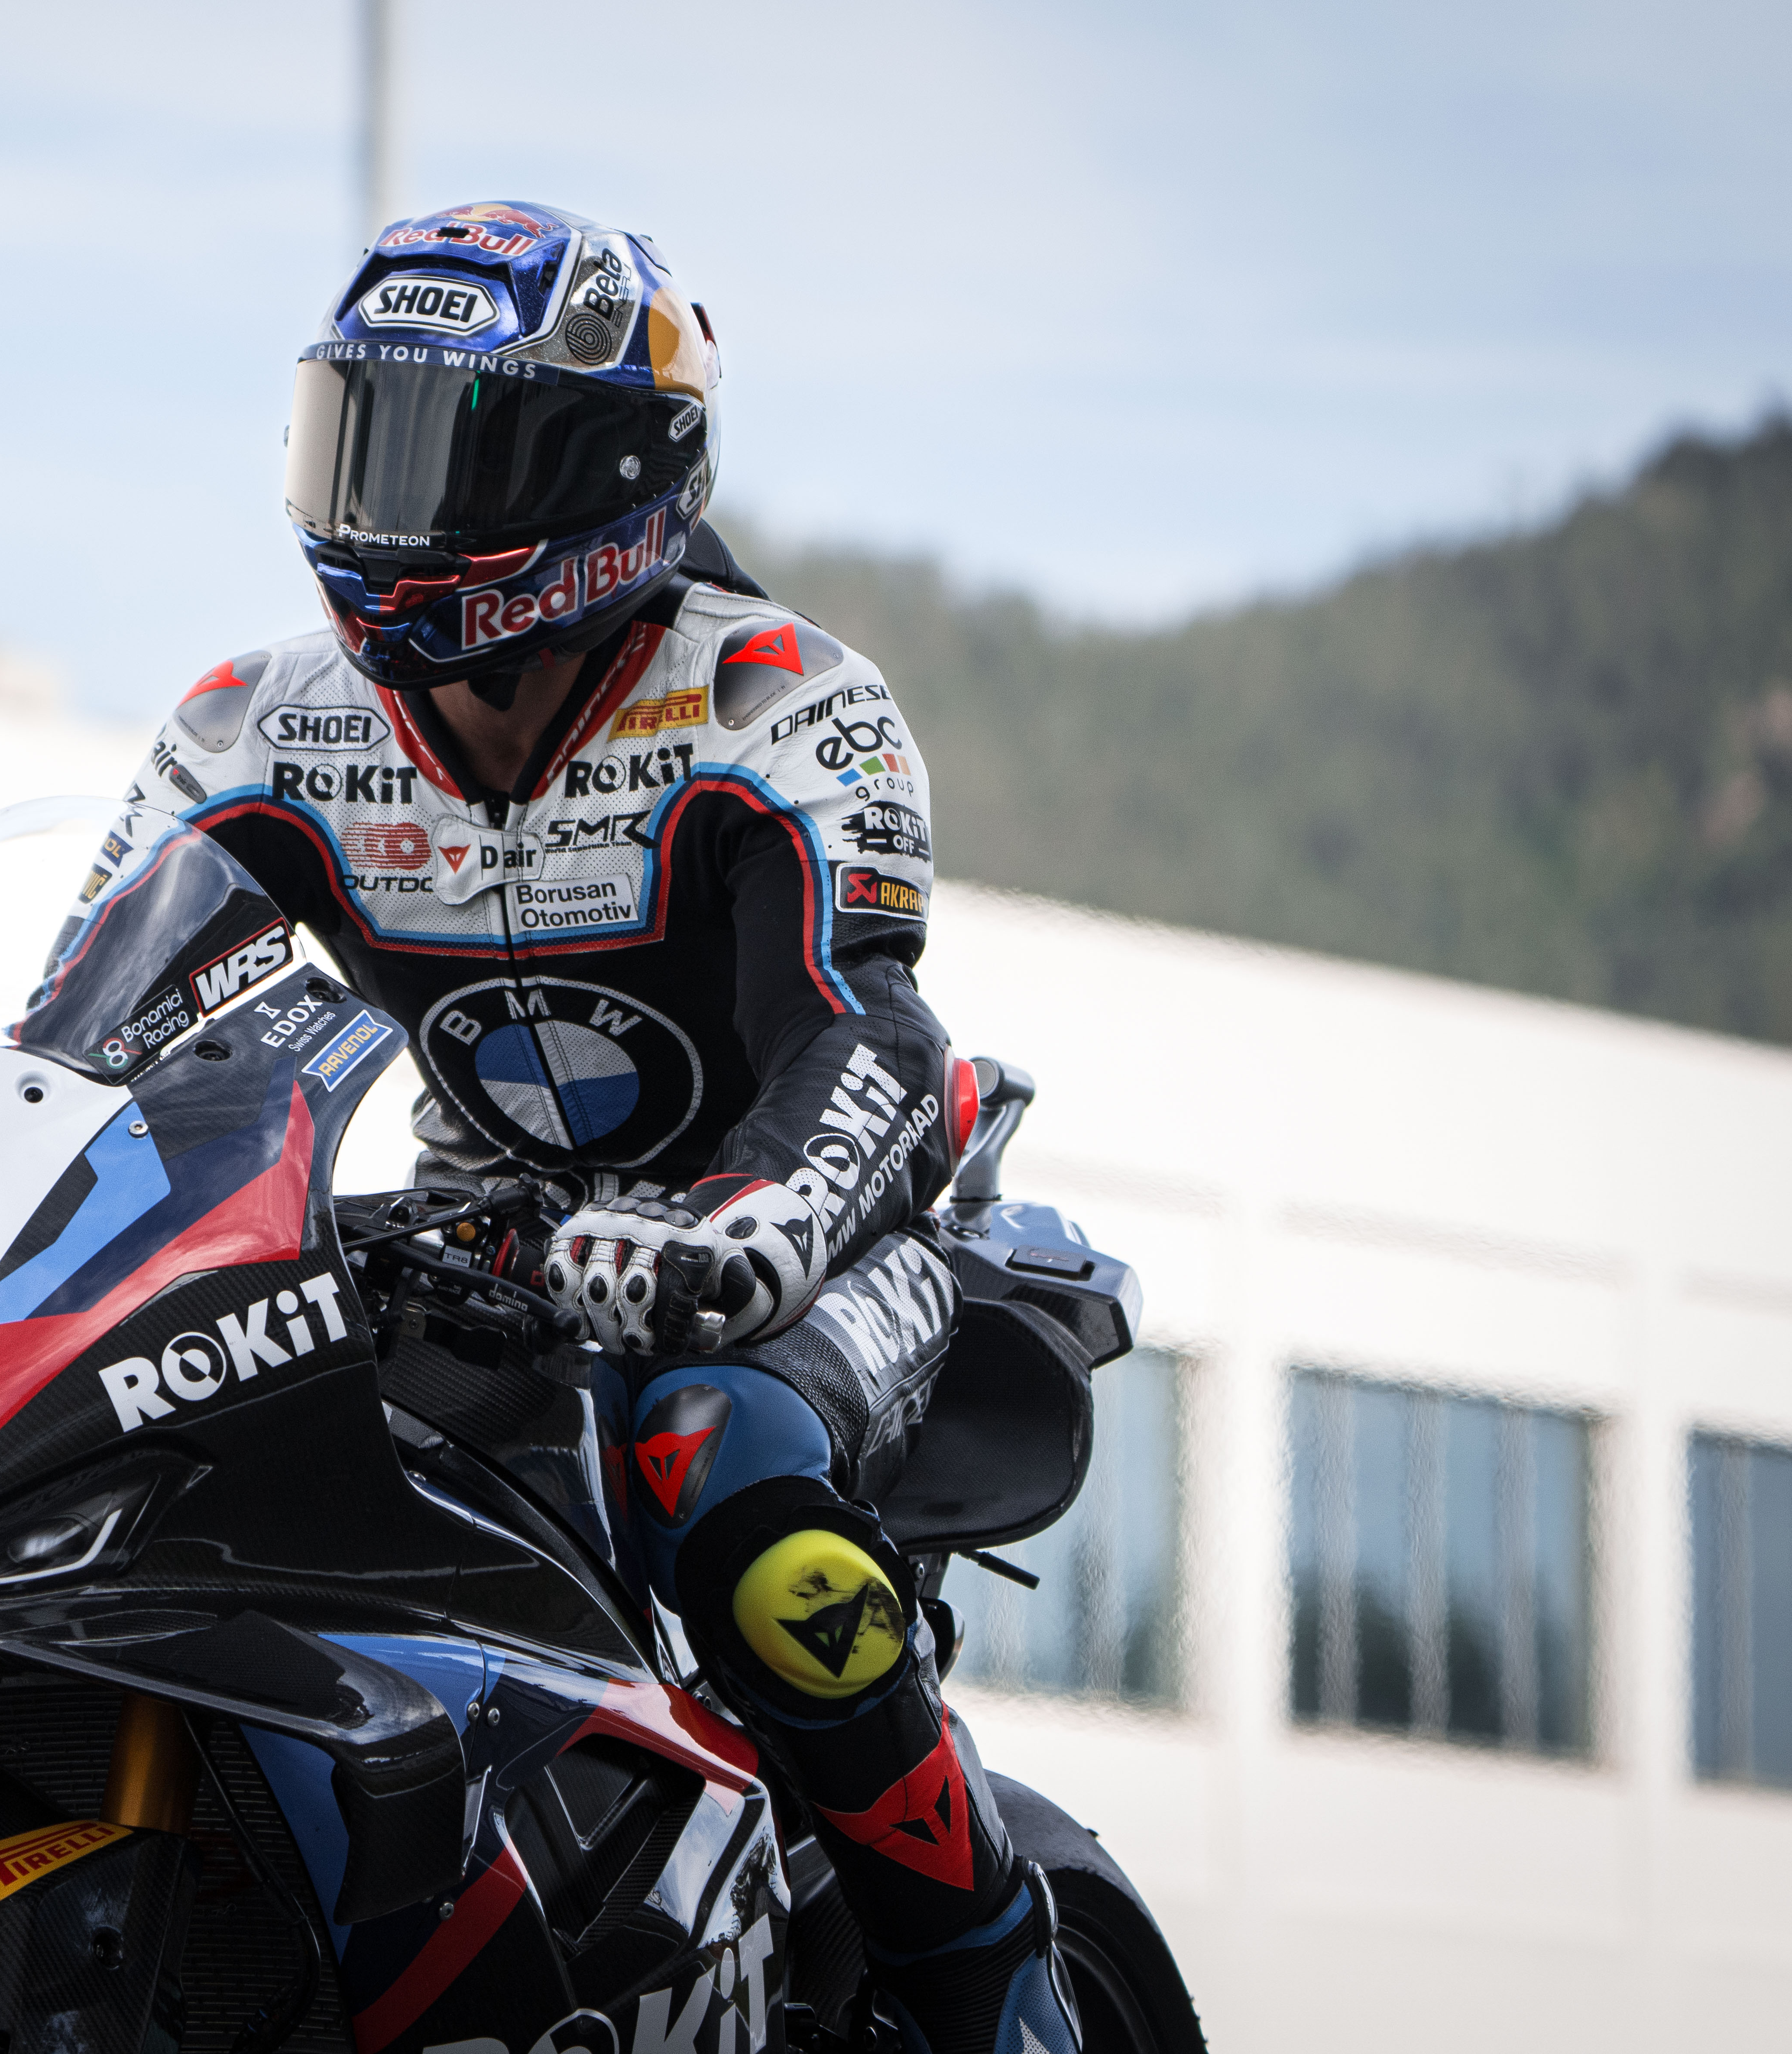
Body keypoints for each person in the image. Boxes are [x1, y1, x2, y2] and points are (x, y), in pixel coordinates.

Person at [126, 201, 1079, 2054]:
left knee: (728, 1476)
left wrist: (748, 1230)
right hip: (482, 1246)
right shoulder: (254, 726)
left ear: (609, 475)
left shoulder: (785, 701)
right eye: (360, 437)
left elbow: (869, 1027)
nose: (387, 507)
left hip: (834, 1239)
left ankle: (997, 1990)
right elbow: (87, 1033)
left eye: (448, 453)